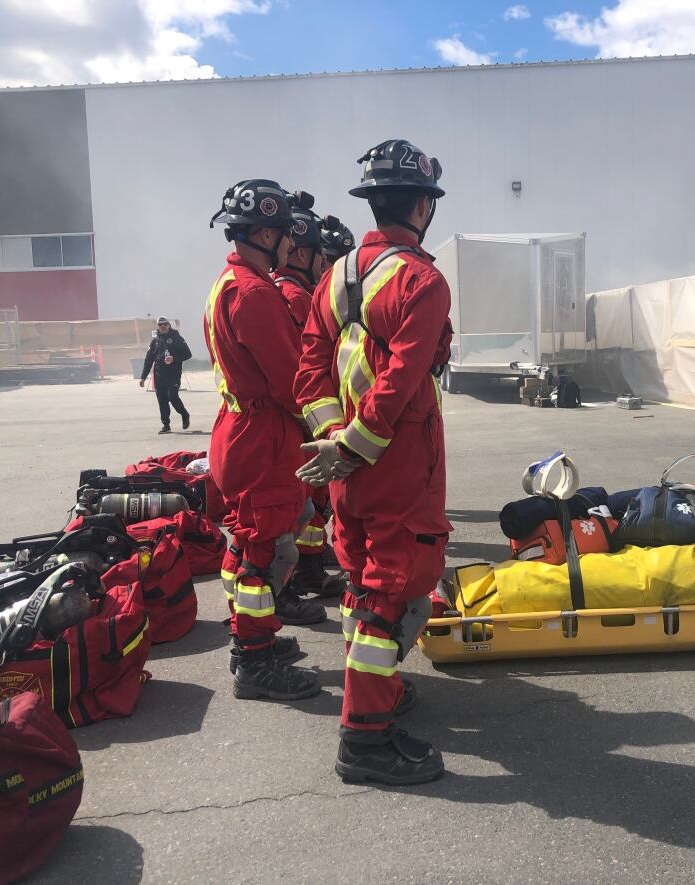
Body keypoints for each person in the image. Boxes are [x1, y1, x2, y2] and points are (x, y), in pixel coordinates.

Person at [294, 139, 452, 785]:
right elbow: (401, 383)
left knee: (362, 583)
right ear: (422, 205)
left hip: (344, 467)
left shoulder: (334, 277)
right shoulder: (422, 280)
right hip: (395, 461)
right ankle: (365, 738)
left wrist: (336, 446)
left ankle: (373, 696)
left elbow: (308, 373)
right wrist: (360, 444)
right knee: (389, 595)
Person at [204, 178, 322, 701]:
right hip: (263, 437)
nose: (289, 246)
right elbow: (291, 380)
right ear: (267, 234)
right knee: (262, 551)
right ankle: (254, 662)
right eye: (282, 234)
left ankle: (249, 641)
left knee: (246, 545)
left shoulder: (227, 284)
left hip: (239, 429)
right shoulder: (254, 293)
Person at [270, 192, 347, 611]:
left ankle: (309, 570)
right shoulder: (297, 296)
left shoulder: (286, 290)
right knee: (299, 508)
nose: (325, 266)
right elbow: (307, 364)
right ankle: (296, 580)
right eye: (322, 256)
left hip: (293, 416)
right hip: (296, 417)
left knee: (309, 507)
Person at [138, 317, 192, 433]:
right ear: (158, 327)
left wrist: (174, 358)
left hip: (173, 374)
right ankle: (166, 425)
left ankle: (184, 414)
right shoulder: (155, 341)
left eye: (165, 324)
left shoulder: (177, 338)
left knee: (173, 397)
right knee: (162, 400)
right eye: (160, 325)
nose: (163, 326)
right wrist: (143, 377)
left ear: (169, 325)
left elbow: (188, 354)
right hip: (159, 375)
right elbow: (149, 359)